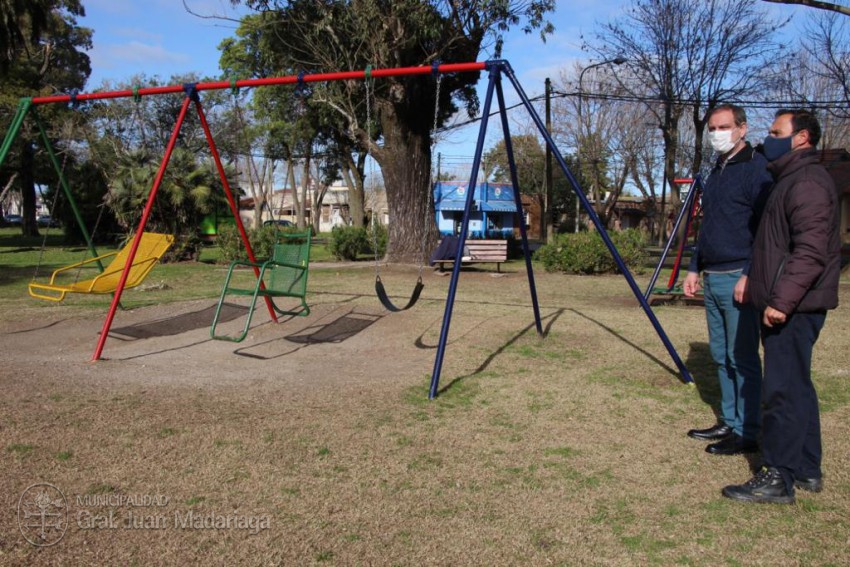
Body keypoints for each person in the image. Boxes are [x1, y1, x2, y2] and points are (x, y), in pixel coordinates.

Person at [722, 109, 841, 505]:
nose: (767, 139)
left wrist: (781, 301)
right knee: (796, 385)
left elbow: (811, 251)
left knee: (782, 390)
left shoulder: (807, 183)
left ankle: (777, 475)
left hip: (794, 305)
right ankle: (805, 467)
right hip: (791, 301)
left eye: (776, 132)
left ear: (802, 138)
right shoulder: (789, 179)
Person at [683, 104, 773, 455]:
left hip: (739, 276)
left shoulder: (756, 168)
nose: (716, 134)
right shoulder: (716, 170)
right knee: (721, 355)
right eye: (712, 129)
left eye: (723, 127)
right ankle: (730, 419)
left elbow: (765, 229)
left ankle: (747, 430)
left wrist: (749, 274)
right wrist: (694, 266)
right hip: (712, 275)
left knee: (742, 357)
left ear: (742, 128)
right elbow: (708, 226)